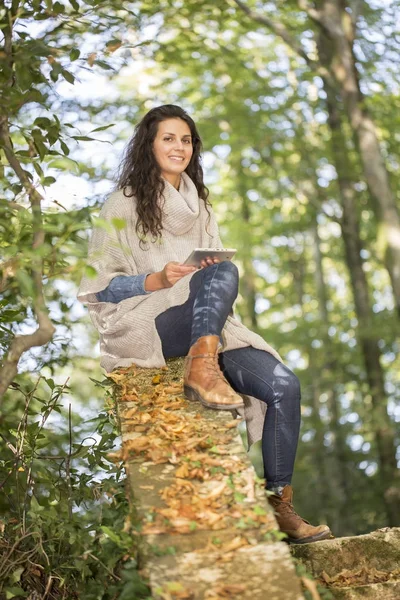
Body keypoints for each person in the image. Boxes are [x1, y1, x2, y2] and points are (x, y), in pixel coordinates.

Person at [78, 104, 332, 544]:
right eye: (168, 138)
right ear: (149, 144)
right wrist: (155, 279)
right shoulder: (120, 204)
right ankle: (200, 369)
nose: (179, 147)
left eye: (186, 140)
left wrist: (200, 276)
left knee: (284, 386)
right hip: (147, 321)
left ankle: (279, 505)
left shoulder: (201, 206)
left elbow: (211, 277)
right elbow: (97, 289)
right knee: (224, 273)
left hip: (206, 321)